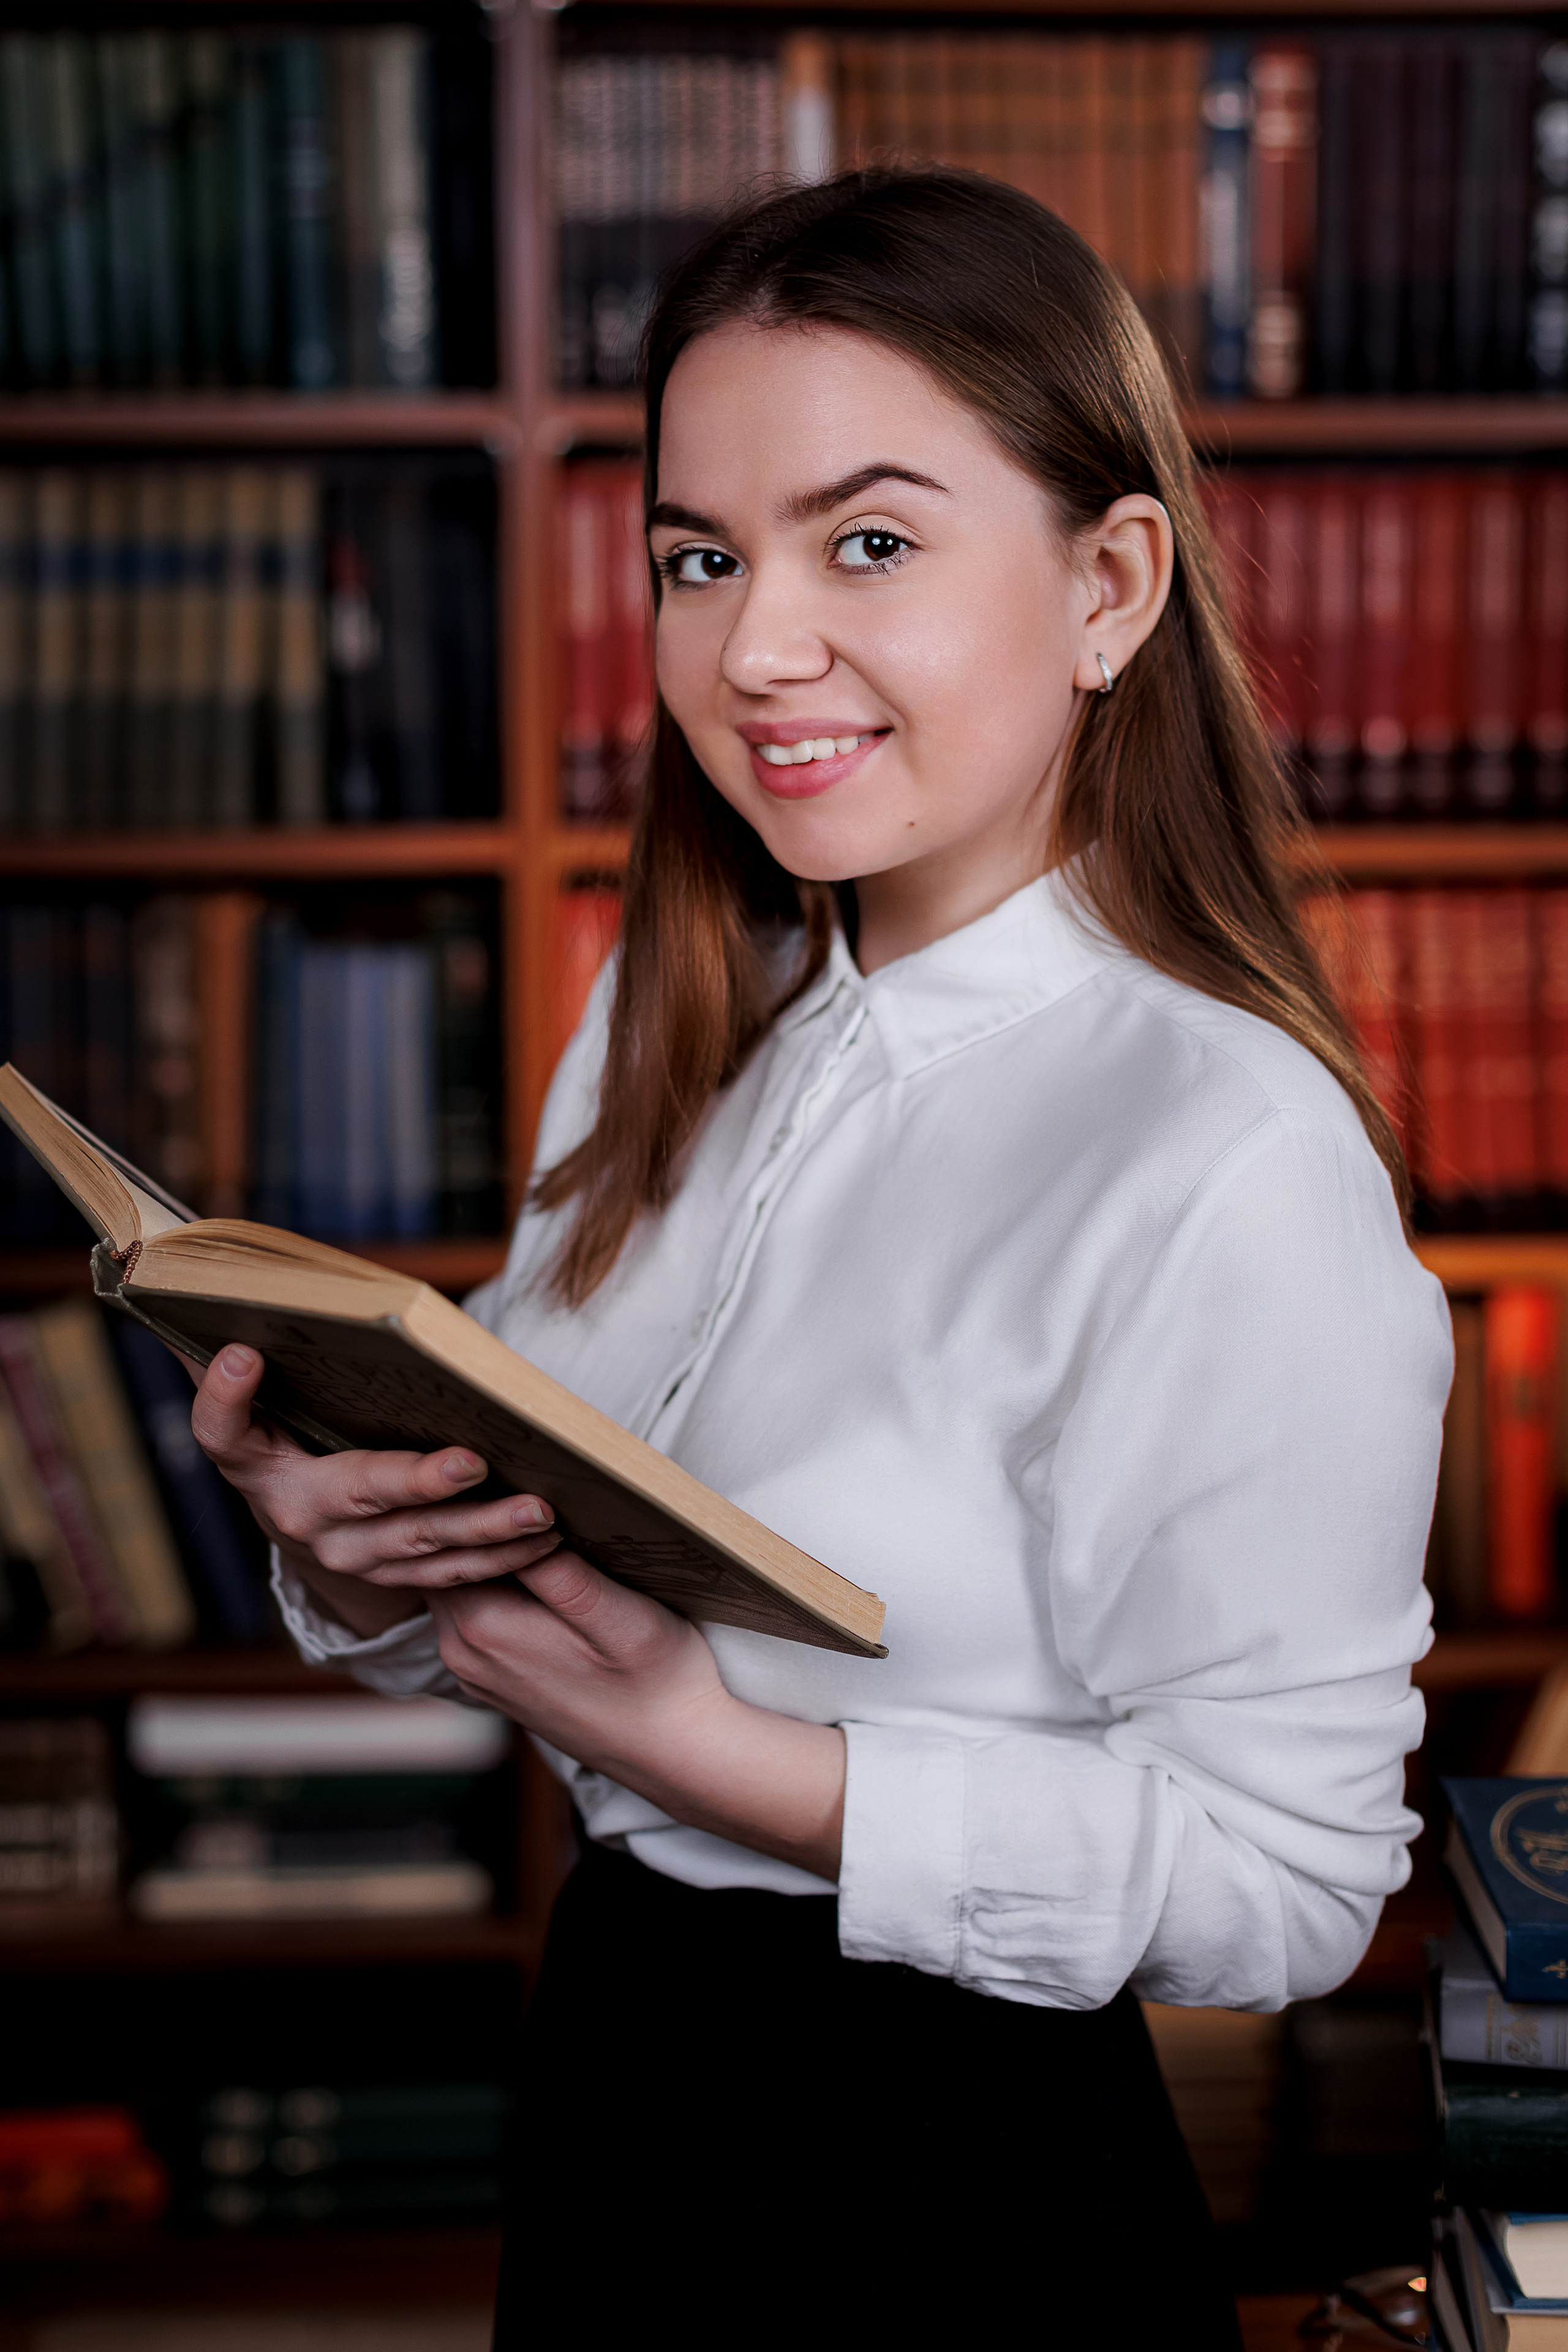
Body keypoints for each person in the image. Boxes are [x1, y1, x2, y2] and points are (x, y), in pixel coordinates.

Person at [189, 170, 1450, 2339]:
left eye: (868, 541)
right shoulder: (676, 1005)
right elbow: (540, 1560)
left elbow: (1294, 1888)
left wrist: (721, 1751)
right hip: (617, 2082)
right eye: (700, 557)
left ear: (1110, 584)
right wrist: (365, 1554)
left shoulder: (1227, 1150)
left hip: (954, 2172)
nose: (753, 647)